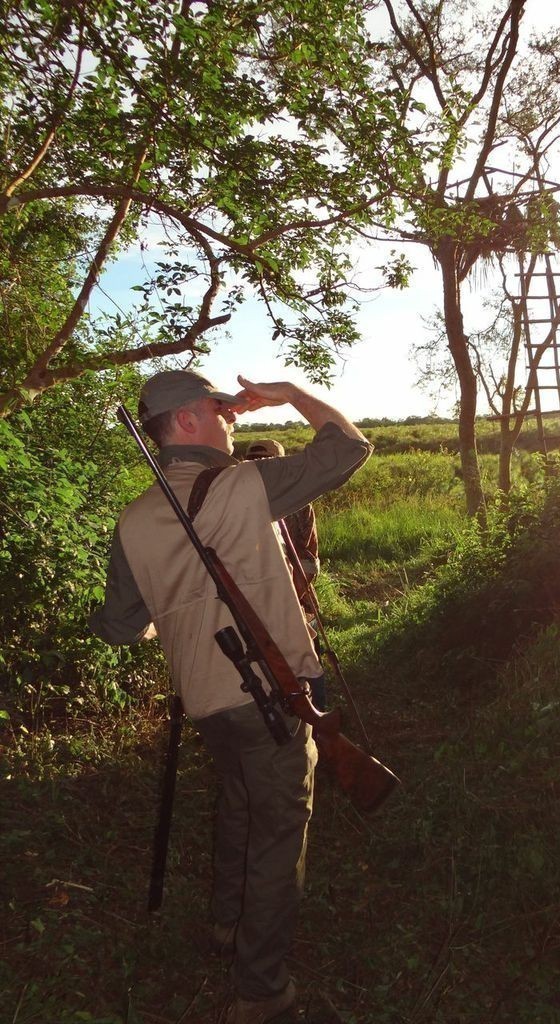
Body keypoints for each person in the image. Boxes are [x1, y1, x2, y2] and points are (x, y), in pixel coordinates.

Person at [89, 368, 372, 1024]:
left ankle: (226, 925)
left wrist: (178, 600)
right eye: (220, 411)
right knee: (277, 834)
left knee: (240, 805)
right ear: (186, 421)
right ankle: (260, 990)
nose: (232, 418)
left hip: (206, 704)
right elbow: (350, 449)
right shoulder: (245, 484)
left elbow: (122, 628)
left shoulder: (133, 519)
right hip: (271, 697)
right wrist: (294, 395)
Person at [244, 439, 326, 710]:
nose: (260, 466)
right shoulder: (237, 502)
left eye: (266, 461)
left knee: (308, 657)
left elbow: (308, 559)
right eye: (254, 461)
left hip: (296, 594)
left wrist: (292, 596)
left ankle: (319, 721)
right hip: (254, 600)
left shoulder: (299, 503)